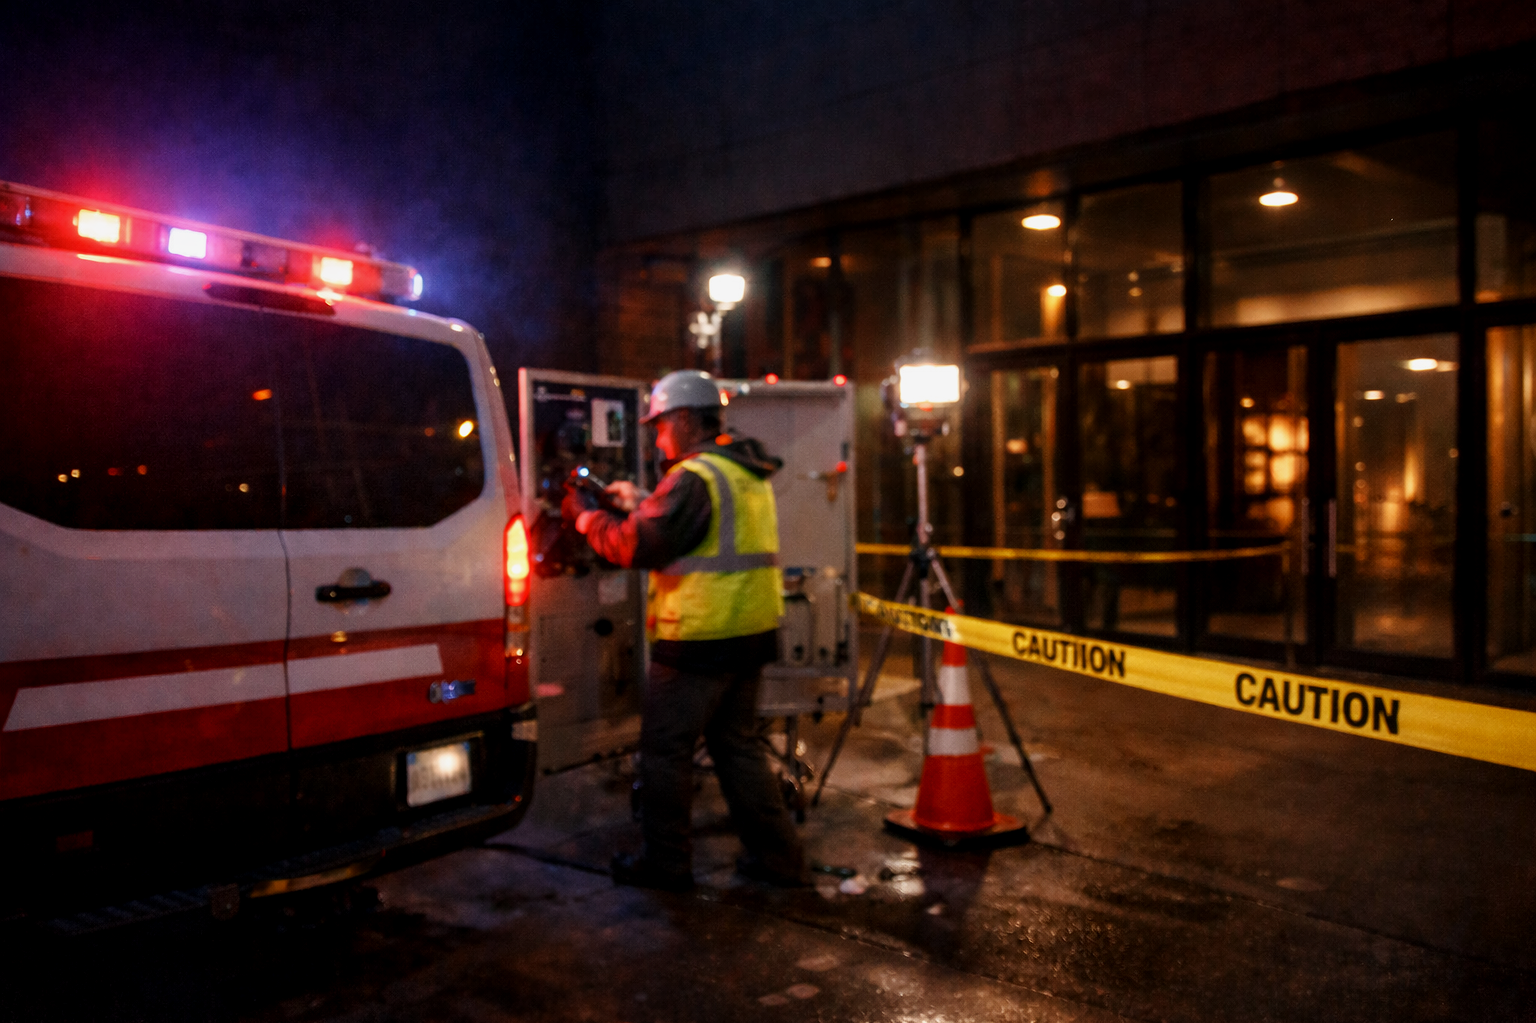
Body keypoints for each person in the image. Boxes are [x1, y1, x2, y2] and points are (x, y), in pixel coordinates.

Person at [563, 369, 807, 892]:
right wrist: (643, 501)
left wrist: (587, 521)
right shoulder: (742, 470)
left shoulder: (695, 477)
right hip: (751, 633)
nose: (656, 436)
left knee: (665, 754)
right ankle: (780, 863)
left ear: (681, 419)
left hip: (698, 641)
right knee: (738, 749)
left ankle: (666, 866)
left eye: (658, 425)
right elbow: (697, 528)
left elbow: (637, 547)